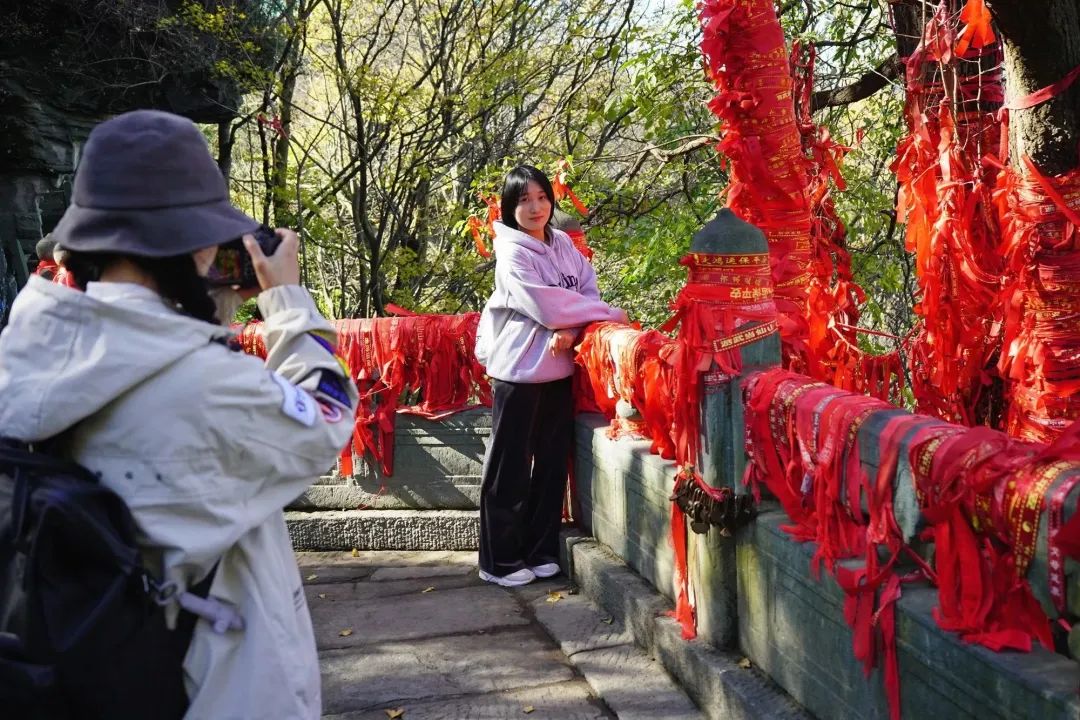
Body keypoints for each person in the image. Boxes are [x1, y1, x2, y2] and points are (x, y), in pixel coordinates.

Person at [0, 110, 358, 718]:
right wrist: (287, 301)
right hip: (211, 693)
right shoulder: (204, 385)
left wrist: (208, 301)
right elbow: (326, 414)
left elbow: (151, 345)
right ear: (194, 245)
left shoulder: (28, 352)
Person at [474, 165, 627, 587]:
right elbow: (547, 305)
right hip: (519, 372)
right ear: (509, 208)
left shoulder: (561, 243)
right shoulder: (512, 252)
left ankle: (540, 550)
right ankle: (499, 561)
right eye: (524, 200)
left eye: (542, 197)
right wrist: (603, 316)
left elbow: (585, 290)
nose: (535, 207)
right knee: (509, 467)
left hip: (558, 370)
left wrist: (573, 327)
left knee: (551, 465)